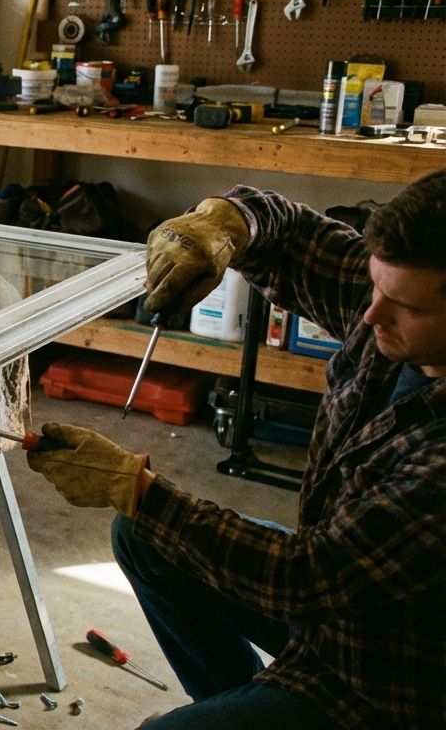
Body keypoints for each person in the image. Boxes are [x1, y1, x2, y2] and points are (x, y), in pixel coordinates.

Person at [26, 173, 446, 729]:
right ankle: (241, 703)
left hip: (392, 684)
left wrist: (138, 489)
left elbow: (309, 578)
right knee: (143, 537)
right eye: (374, 285)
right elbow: (292, 234)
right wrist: (223, 223)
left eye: (403, 306)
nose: (370, 315)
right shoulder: (395, 304)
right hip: (332, 625)